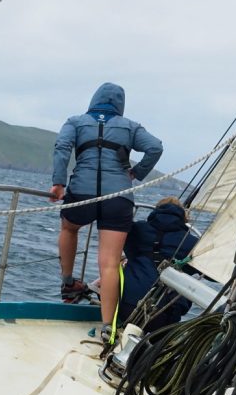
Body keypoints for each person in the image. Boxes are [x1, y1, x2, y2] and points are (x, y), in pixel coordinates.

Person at [50, 82, 163, 341]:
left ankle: (68, 283)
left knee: (69, 227)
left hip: (81, 194)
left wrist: (58, 183)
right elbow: (155, 147)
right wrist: (136, 173)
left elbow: (62, 148)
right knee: (110, 263)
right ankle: (107, 328)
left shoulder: (75, 122)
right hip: (117, 199)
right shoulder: (131, 126)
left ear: (94, 100)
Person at [119, 197, 199, 331]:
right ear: (184, 217)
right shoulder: (192, 243)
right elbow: (211, 275)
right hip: (162, 315)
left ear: (156, 211)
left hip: (123, 306)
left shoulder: (137, 229)